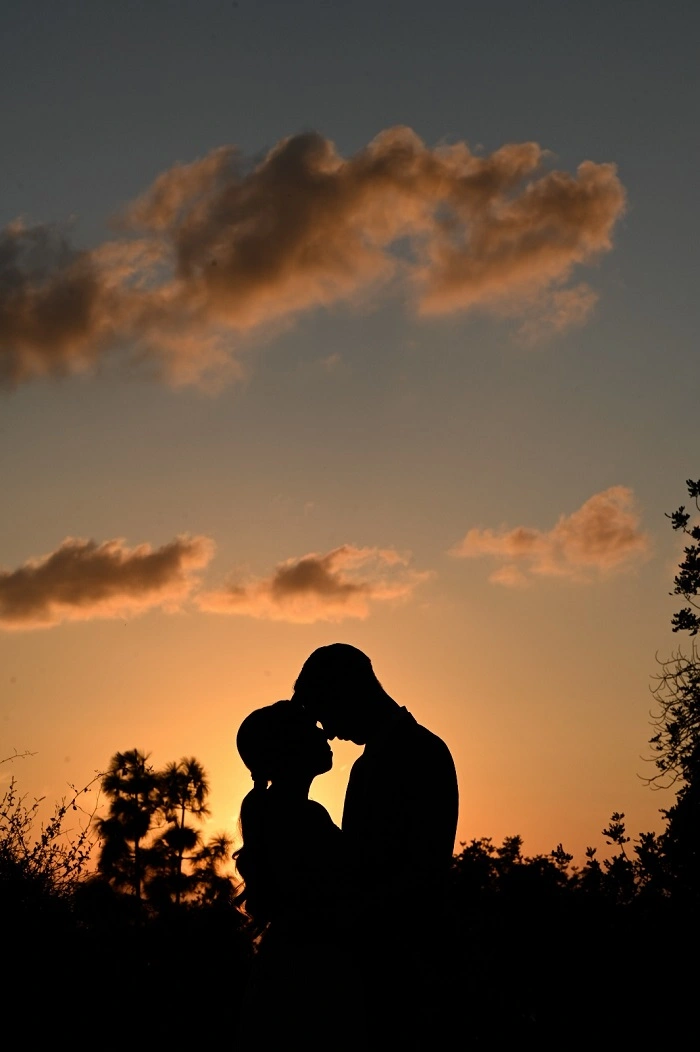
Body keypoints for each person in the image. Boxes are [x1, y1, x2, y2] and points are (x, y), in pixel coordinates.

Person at [292, 643, 459, 1039]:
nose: (330, 733)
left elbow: (425, 868)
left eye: (325, 713)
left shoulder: (422, 752)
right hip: (371, 959)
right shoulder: (370, 762)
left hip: (405, 963)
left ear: (347, 692)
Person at [234, 699, 361, 1045]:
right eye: (311, 730)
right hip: (307, 974)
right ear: (288, 747)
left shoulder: (280, 812)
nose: (325, 735)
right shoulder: (304, 818)